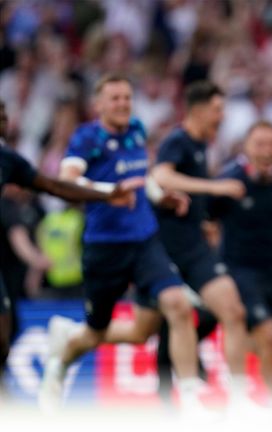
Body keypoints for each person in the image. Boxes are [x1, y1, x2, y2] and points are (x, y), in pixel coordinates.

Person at [37, 74, 209, 418]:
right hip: (104, 248)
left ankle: (191, 397)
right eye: (114, 98)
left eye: (127, 98)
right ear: (98, 104)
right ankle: (64, 351)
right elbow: (68, 180)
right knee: (112, 332)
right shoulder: (86, 138)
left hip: (144, 241)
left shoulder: (136, 131)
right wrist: (108, 192)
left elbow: (138, 176)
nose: (122, 104)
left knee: (176, 304)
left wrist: (161, 196)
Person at [0, 99, 139, 398]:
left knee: (3, 336)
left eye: (5, 116)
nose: (4, 122)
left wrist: (104, 193)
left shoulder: (7, 160)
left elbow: (55, 186)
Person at [148, 80, 255, 412]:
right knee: (146, 328)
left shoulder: (199, 144)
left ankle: (236, 399)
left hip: (193, 245)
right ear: (198, 109)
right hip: (163, 249)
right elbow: (161, 177)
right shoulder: (177, 140)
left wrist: (201, 220)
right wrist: (216, 187)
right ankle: (171, 398)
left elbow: (180, 192)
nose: (222, 117)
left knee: (232, 311)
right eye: (218, 109)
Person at [207, 120, 272, 403]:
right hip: (237, 270)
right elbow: (206, 222)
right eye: (259, 144)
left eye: (271, 144)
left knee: (260, 341)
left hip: (271, 270)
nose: (266, 150)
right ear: (246, 147)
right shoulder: (230, 180)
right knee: (269, 336)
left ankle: (243, 396)